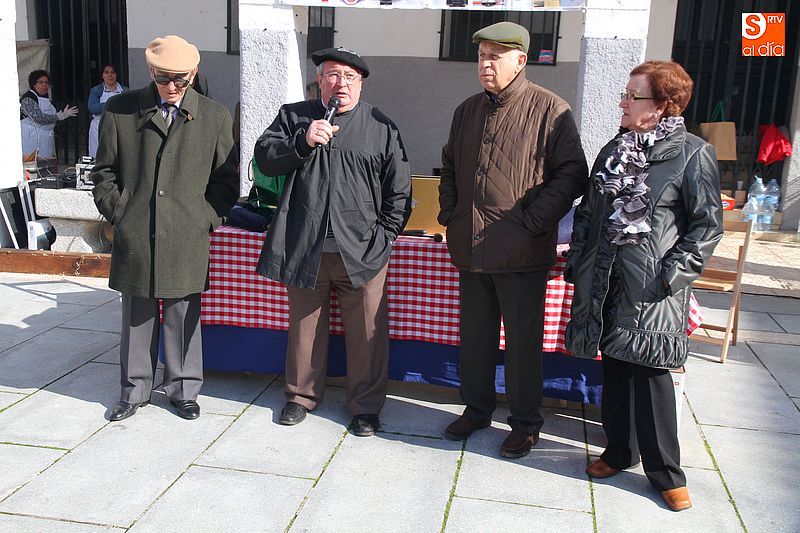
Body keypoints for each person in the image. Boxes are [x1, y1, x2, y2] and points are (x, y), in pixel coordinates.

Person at [564, 60, 723, 511]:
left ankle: (665, 472)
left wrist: (672, 274)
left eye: (632, 96)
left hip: (652, 284)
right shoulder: (615, 148)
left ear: (663, 106)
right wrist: (579, 259)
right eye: (625, 94)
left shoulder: (692, 153)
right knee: (614, 364)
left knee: (651, 375)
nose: (622, 102)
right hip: (605, 277)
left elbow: (707, 226)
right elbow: (590, 211)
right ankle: (618, 451)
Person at [438, 22, 588, 458]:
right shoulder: (466, 110)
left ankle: (525, 422)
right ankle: (477, 408)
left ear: (520, 61)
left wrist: (534, 220)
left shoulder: (550, 110)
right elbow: (447, 167)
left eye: (495, 57)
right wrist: (450, 213)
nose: (485, 65)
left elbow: (572, 174)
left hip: (522, 251)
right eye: (482, 56)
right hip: (470, 247)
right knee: (476, 336)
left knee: (523, 344)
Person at [254, 47, 412, 437]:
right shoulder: (294, 116)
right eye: (332, 75)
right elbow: (264, 159)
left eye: (350, 77)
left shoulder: (381, 126)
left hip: (362, 252)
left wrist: (384, 237)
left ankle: (366, 408)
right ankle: (300, 396)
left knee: (367, 336)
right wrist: (302, 142)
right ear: (319, 80)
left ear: (361, 83)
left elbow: (400, 192)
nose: (340, 84)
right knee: (304, 329)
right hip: (306, 248)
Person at [91, 35, 239, 422]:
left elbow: (226, 183)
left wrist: (204, 218)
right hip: (136, 231)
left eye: (180, 79)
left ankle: (183, 389)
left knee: (183, 312)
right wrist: (119, 212)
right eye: (162, 78)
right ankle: (134, 390)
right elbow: (103, 172)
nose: (171, 87)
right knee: (137, 314)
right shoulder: (120, 110)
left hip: (187, 233)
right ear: (150, 71)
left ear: (194, 73)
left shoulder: (215, 116)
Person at [20, 70, 78, 161]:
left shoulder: (47, 99)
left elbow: (50, 118)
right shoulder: (28, 98)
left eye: (46, 82)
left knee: (45, 166)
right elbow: (38, 117)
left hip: (45, 140)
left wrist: (62, 115)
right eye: (41, 82)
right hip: (31, 139)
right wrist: (58, 116)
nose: (44, 85)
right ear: (34, 84)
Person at [87, 64, 127, 158]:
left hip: (118, 125)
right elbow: (92, 108)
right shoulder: (97, 91)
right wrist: (110, 104)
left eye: (113, 72)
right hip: (99, 126)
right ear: (102, 75)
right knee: (98, 154)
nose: (110, 75)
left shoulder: (124, 91)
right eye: (106, 72)